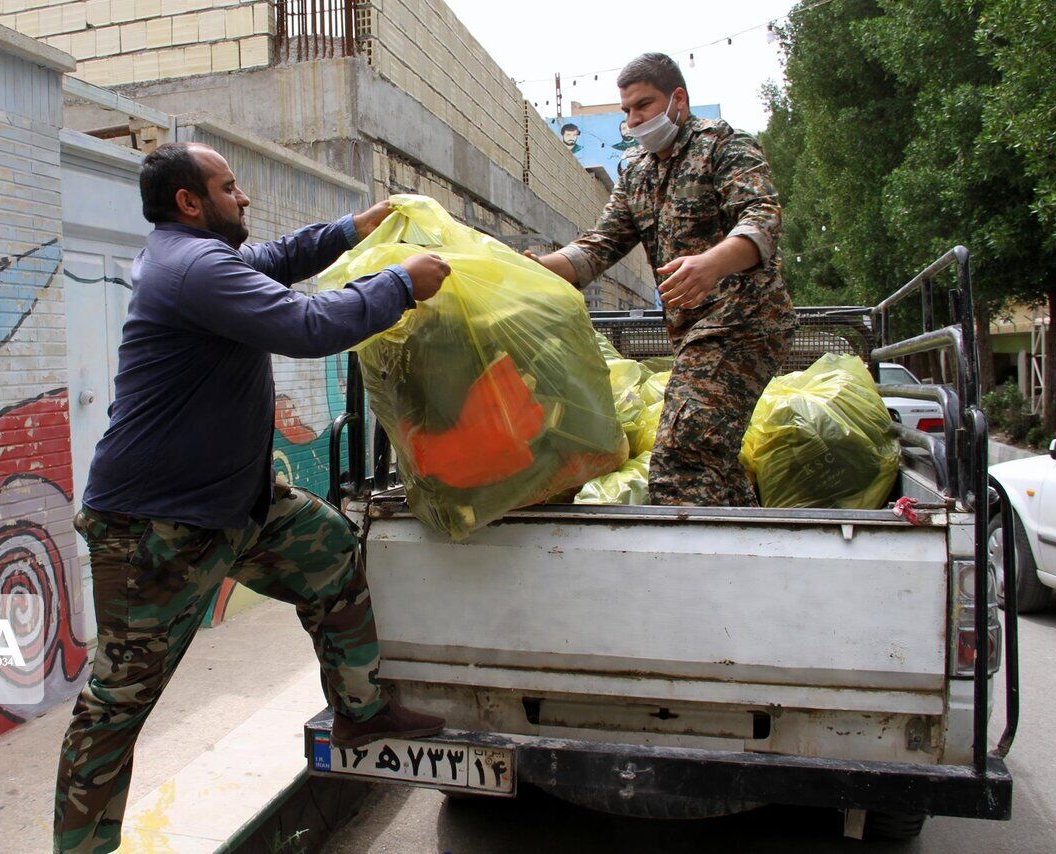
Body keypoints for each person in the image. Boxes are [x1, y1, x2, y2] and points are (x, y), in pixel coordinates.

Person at [54, 141, 449, 854]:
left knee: (329, 548)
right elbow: (307, 327)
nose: (245, 198)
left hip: (237, 508)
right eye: (230, 187)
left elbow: (278, 257)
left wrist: (352, 230)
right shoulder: (192, 268)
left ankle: (361, 710)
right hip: (153, 531)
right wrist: (399, 283)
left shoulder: (198, 259)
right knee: (117, 706)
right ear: (190, 202)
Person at [528, 53, 796, 507]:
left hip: (746, 324)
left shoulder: (725, 146)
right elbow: (600, 245)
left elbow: (762, 217)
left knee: (682, 451)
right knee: (711, 455)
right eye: (628, 110)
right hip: (694, 335)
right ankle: (749, 547)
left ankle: (692, 565)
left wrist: (712, 263)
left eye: (644, 105)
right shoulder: (636, 170)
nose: (633, 119)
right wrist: (535, 268)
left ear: (678, 100)